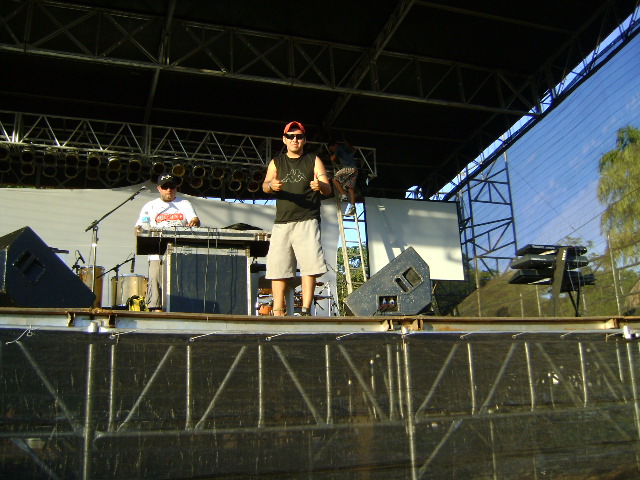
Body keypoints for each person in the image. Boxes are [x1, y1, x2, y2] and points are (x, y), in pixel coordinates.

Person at [263, 121, 332, 316]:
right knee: (278, 267)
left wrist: (320, 185)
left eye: (299, 136)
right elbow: (265, 185)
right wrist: (271, 185)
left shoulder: (313, 160)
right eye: (291, 136)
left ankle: (305, 309)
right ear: (284, 139)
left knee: (309, 266)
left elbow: (328, 188)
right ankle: (278, 310)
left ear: (304, 140)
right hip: (282, 221)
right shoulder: (276, 162)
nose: (295, 139)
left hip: (307, 219)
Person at [134, 174, 200, 311]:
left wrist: (194, 222)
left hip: (180, 252)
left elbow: (195, 220)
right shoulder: (150, 205)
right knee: (156, 283)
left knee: (181, 284)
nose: (169, 190)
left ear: (176, 188)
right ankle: (157, 312)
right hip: (156, 254)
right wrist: (140, 230)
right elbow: (139, 227)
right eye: (165, 187)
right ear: (159, 188)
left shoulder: (184, 204)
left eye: (172, 186)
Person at [328, 138, 358, 216]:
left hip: (348, 168)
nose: (333, 150)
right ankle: (352, 206)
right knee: (349, 188)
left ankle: (343, 195)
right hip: (355, 170)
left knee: (334, 179)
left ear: (335, 145)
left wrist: (331, 153)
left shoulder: (339, 148)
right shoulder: (345, 148)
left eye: (332, 148)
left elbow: (332, 159)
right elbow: (352, 150)